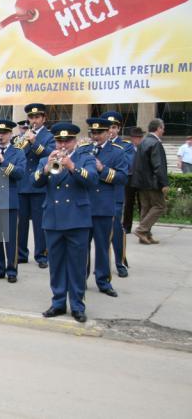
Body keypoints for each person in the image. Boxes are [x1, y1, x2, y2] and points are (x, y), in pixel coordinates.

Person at [34, 122, 98, 323]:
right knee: (57, 264)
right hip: (52, 218)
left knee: (77, 266)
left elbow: (92, 180)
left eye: (67, 140)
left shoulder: (85, 158)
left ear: (75, 141)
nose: (63, 144)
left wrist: (72, 167)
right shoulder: (46, 159)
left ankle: (78, 305)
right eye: (59, 140)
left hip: (77, 219)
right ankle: (58, 302)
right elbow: (35, 182)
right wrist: (45, 168)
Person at [83, 118, 128, 296]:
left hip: (103, 206)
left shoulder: (117, 152)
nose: (96, 136)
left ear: (108, 133)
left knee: (102, 246)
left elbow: (123, 177)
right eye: (93, 133)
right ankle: (81, 278)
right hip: (85, 205)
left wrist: (103, 170)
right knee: (82, 246)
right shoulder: (84, 149)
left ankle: (103, 281)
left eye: (99, 133)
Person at [0, 120, 26, 283]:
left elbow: (20, 173)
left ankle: (12, 269)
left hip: (9, 200)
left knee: (10, 238)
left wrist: (3, 162)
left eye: (4, 133)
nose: (1, 136)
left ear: (10, 134)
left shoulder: (18, 152)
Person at [17, 103, 55, 269]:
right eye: (31, 117)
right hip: (23, 183)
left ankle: (41, 255)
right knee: (22, 223)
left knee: (40, 223)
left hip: (39, 183)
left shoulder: (50, 136)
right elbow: (18, 155)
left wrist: (34, 142)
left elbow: (49, 156)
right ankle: (21, 254)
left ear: (44, 118)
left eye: (37, 117)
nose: (34, 120)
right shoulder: (22, 135)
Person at [101, 111, 133, 277]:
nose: (111, 131)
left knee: (116, 230)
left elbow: (126, 168)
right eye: (108, 127)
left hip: (115, 195)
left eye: (113, 127)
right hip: (97, 196)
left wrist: (103, 168)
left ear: (119, 128)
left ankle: (120, 262)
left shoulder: (125, 146)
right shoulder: (95, 145)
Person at [131, 118, 169, 244]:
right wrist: (164, 183)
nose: (163, 131)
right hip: (152, 183)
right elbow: (158, 166)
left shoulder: (143, 142)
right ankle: (142, 230)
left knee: (146, 208)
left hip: (142, 183)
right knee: (160, 206)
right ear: (158, 128)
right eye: (162, 128)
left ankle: (146, 235)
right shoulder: (155, 143)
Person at [123, 127, 145, 233]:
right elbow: (127, 161)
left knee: (143, 203)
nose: (138, 139)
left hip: (141, 178)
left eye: (140, 137)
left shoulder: (145, 148)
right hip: (130, 177)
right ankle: (127, 226)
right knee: (129, 203)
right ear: (132, 138)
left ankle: (143, 227)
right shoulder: (127, 148)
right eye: (136, 137)